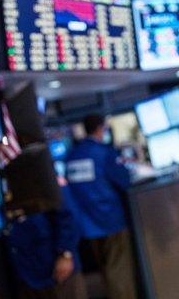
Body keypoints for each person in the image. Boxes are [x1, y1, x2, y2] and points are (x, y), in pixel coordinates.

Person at [65, 114, 137, 299]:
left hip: (88, 224)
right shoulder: (104, 152)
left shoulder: (72, 155)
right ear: (100, 128)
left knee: (105, 271)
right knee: (118, 270)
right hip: (111, 220)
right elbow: (124, 180)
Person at [6, 184, 88, 299]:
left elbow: (68, 214)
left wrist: (66, 252)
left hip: (55, 264)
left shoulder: (39, 170)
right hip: (22, 270)